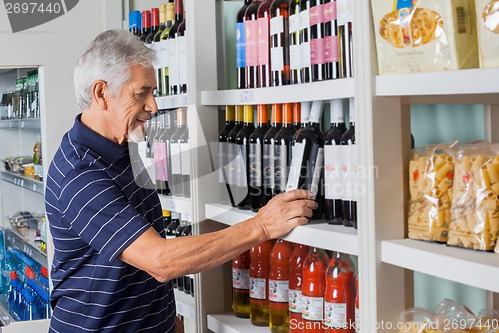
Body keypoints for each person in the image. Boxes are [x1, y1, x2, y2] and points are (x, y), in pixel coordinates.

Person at [44, 29, 317, 332]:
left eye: (153, 92)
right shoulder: (80, 174)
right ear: (101, 94)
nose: (154, 106)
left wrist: (167, 321)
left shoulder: (121, 148)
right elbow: (160, 260)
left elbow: (136, 261)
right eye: (141, 93)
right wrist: (261, 226)